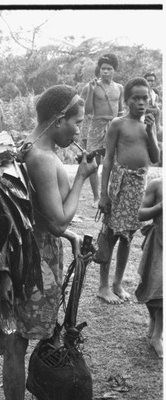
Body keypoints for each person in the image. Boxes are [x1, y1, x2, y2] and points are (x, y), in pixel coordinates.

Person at [0, 85, 98, 400]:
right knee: (16, 342)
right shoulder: (43, 158)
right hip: (31, 263)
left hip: (6, 256)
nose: (78, 130)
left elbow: (35, 213)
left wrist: (69, 235)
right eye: (76, 121)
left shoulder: (21, 146)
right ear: (58, 120)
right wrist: (82, 178)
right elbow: (56, 221)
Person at [97, 77, 160, 304]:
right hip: (120, 186)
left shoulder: (148, 125)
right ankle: (103, 286)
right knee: (111, 234)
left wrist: (152, 131)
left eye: (145, 98)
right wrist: (104, 194)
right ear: (127, 100)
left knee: (127, 237)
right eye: (136, 98)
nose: (141, 102)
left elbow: (155, 158)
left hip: (138, 188)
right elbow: (108, 159)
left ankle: (117, 283)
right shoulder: (118, 124)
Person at [83, 54, 124, 207]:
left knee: (114, 161)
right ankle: (95, 197)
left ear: (114, 70)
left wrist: (122, 126)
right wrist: (91, 92)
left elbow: (120, 111)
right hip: (96, 124)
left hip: (113, 125)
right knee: (94, 162)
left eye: (109, 69)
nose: (105, 71)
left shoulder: (119, 87)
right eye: (103, 69)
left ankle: (111, 195)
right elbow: (87, 111)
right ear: (99, 70)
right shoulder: (92, 86)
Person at [135, 177, 163, 358]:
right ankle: (154, 321)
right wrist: (160, 207)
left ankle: (157, 335)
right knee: (153, 288)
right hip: (158, 245)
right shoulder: (157, 184)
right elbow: (140, 214)